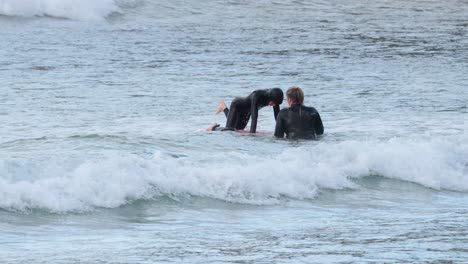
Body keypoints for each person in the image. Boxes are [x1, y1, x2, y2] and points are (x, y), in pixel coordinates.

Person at [208, 88, 284, 133]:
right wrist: (252, 134)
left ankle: (223, 107)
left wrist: (282, 131)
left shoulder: (275, 98)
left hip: (247, 111)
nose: (274, 105)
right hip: (237, 106)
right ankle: (213, 127)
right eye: (273, 103)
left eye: (276, 104)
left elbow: (277, 117)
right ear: (269, 97)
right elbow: (254, 116)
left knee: (238, 130)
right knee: (229, 130)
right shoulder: (257, 95)